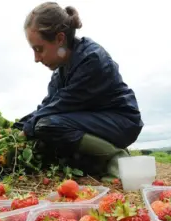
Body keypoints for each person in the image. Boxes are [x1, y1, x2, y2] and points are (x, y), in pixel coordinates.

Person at [13, 2, 144, 182]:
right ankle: (97, 162)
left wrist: (27, 129)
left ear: (59, 39)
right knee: (47, 134)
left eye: (39, 49)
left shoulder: (92, 60)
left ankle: (116, 156)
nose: (36, 58)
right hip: (94, 120)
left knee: (47, 126)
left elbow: (59, 106)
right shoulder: (61, 71)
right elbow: (47, 105)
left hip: (121, 121)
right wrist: (17, 127)